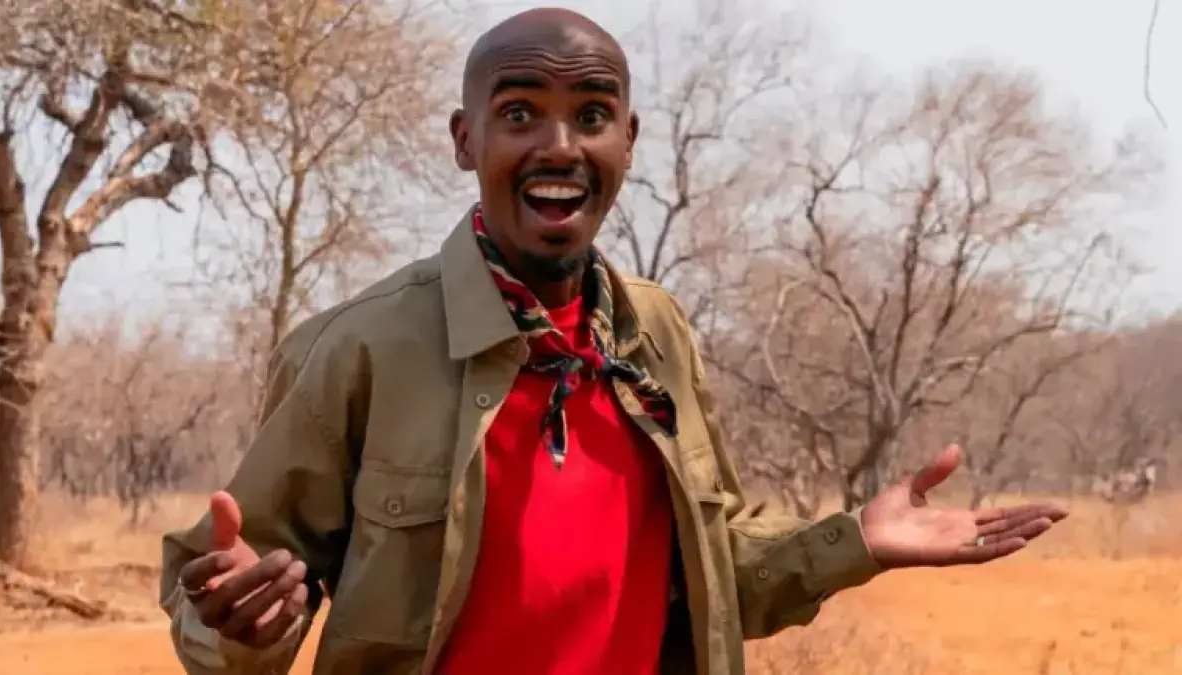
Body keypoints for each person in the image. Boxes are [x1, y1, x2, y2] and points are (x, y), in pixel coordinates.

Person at [159, 8, 1068, 675]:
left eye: (591, 115)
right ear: (465, 139)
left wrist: (857, 540)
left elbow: (713, 575)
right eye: (520, 113)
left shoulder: (657, 333)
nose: (560, 145)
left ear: (628, 141)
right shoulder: (359, 347)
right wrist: (242, 623)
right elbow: (223, 594)